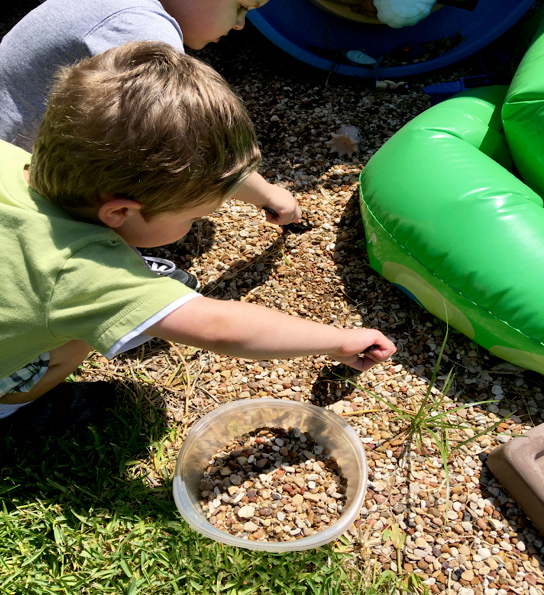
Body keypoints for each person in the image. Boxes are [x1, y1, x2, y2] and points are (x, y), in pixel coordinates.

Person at [0, 42, 396, 433]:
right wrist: (339, 341)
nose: (196, 223)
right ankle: (15, 409)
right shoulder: (80, 273)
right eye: (194, 216)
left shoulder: (10, 157)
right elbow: (225, 327)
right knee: (75, 342)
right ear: (119, 213)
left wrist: (265, 193)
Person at [0, 0, 300, 287]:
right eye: (241, 7)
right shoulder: (140, 38)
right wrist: (268, 196)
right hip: (38, 182)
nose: (239, 25)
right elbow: (190, 149)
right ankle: (99, 277)